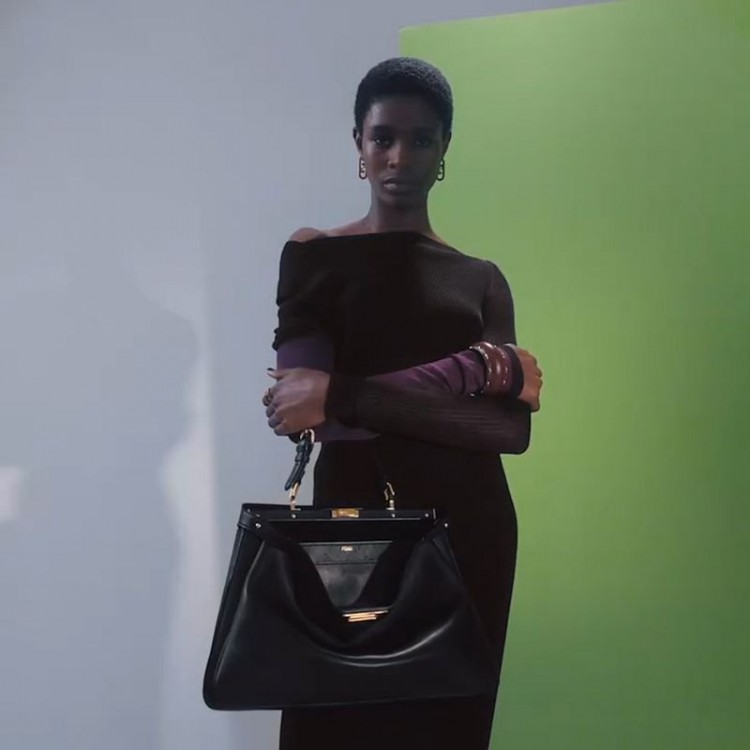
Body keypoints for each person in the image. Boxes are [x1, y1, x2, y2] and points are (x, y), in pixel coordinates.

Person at [262, 57, 543, 750]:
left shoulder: (481, 280)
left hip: (470, 528)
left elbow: (508, 431)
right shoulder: (314, 253)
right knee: (331, 725)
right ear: (358, 143)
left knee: (445, 729)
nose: (399, 157)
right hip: (352, 526)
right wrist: (473, 371)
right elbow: (300, 407)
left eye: (421, 139)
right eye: (383, 137)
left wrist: (346, 393)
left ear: (444, 148)